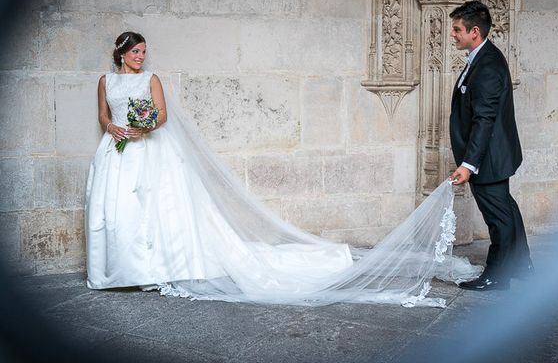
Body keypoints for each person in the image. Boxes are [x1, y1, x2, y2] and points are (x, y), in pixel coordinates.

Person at [85, 32, 481, 306]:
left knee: (158, 208)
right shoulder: (106, 80)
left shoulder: (151, 79)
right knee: (120, 212)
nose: (141, 57)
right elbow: (104, 115)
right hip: (117, 150)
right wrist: (115, 127)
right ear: (122, 54)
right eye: (136, 52)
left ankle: (156, 268)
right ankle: (122, 270)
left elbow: (163, 116)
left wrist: (143, 127)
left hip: (148, 148)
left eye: (143, 52)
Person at [448, 0, 533, 291]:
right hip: (493, 154)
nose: (452, 34)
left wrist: (469, 165)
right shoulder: (482, 58)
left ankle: (497, 275)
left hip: (489, 158)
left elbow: (484, 119)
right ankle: (523, 266)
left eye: (457, 29)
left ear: (474, 31)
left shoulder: (487, 64)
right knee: (506, 209)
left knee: (498, 218)